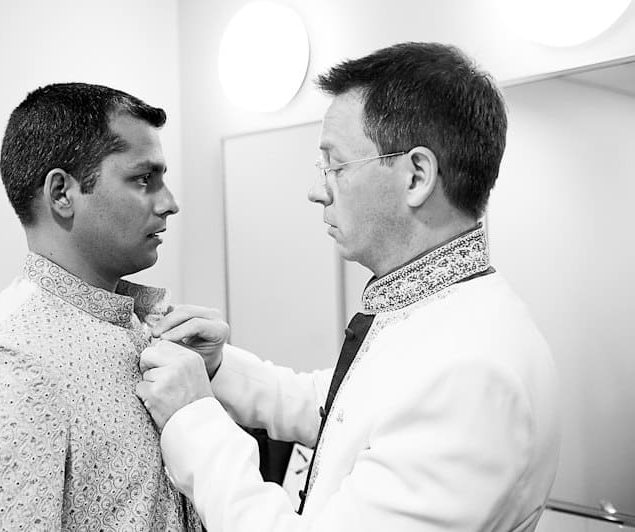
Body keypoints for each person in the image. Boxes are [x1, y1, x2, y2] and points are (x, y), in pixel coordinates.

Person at [135, 42, 560, 531]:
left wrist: (193, 419)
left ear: (417, 176)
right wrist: (217, 368)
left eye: (334, 166)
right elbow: (345, 411)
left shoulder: (471, 375)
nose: (317, 191)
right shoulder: (437, 316)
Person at [0, 83, 202, 531]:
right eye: (143, 179)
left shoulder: (143, 326)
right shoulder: (5, 365)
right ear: (61, 193)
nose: (169, 203)